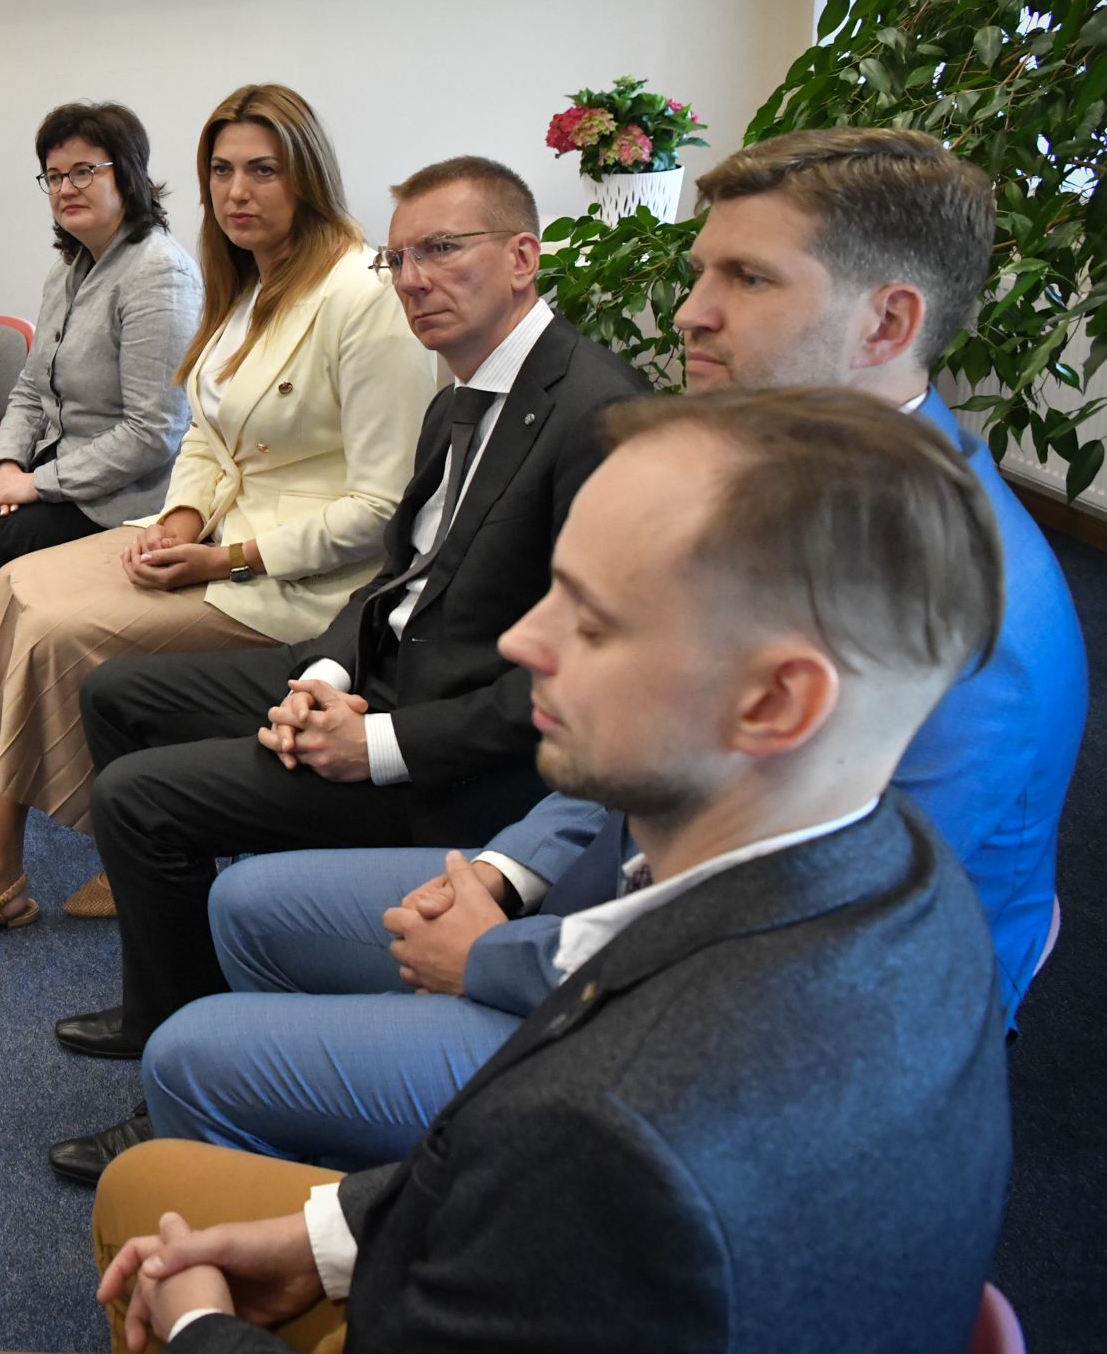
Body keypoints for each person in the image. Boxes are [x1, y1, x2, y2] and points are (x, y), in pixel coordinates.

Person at [141, 126, 1086, 1171]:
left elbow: (798, 946)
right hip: (614, 883)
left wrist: (501, 955)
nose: (690, 312)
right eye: (702, 271)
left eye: (747, 278)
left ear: (888, 320)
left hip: (739, 1037)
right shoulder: (781, 471)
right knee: (248, 907)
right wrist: (506, 872)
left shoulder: (964, 603)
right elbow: (641, 737)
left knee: (194, 1057)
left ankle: (426, 1220)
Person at [73, 390, 1012, 1354]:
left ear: (776, 701)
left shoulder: (596, 1138)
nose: (525, 643)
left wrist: (199, 1326)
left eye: (593, 623)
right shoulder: (905, 866)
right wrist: (330, 1237)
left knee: (144, 1208)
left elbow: (573, 1157)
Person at [44, 156, 646, 1177]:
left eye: (441, 250)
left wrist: (377, 743)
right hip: (382, 674)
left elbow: (578, 683)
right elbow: (397, 582)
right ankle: (167, 987)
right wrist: (321, 681)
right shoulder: (460, 395)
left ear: (522, 258)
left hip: (461, 756)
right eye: (397, 257)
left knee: (139, 799)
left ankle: (183, 1074)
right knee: (116, 692)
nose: (412, 279)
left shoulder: (596, 414)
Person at [0, 86, 433, 957]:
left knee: (49, 625)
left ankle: (9, 867)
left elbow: (381, 510)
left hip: (301, 583)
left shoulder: (363, 294)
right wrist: (180, 519)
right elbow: (206, 432)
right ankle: (8, 870)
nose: (237, 191)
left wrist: (226, 556)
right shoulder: (250, 281)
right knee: (9, 585)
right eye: (222, 170)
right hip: (214, 539)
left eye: (263, 170)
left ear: (308, 175)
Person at [0, 103, 201, 801]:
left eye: (84, 170)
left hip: (125, 495)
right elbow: (30, 387)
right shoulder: (70, 268)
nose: (66, 188)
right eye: (54, 176)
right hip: (56, 468)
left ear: (129, 175)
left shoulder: (159, 275)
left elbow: (155, 431)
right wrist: (5, 464)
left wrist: (38, 483)